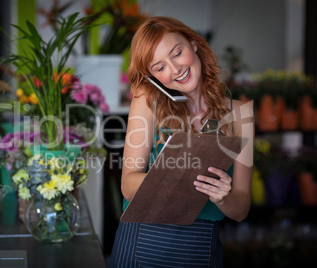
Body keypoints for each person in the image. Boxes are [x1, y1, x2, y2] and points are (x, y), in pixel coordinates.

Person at [109, 16, 254, 267]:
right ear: (153, 77)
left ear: (193, 43)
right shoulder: (147, 100)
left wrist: (223, 198)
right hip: (143, 239)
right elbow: (128, 185)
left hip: (202, 247)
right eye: (159, 67)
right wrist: (174, 176)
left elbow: (241, 209)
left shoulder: (241, 115)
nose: (175, 69)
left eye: (177, 53)